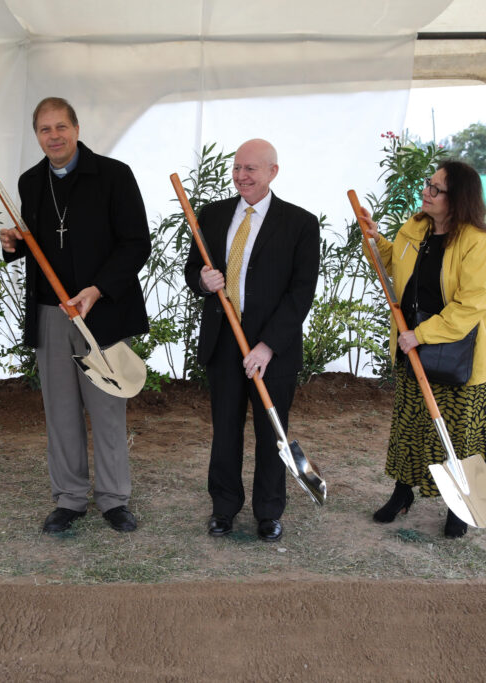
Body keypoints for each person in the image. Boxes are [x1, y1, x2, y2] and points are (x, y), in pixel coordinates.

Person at [0, 97, 151, 534]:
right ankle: (69, 497)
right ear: (37, 136)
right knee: (60, 410)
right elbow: (39, 243)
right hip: (51, 312)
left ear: (77, 128)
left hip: (100, 309)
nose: (54, 136)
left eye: (61, 126)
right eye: (45, 129)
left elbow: (136, 242)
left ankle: (113, 498)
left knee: (106, 407)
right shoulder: (31, 182)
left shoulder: (114, 176)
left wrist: (98, 289)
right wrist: (15, 244)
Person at [358, 159, 486, 538]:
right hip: (415, 342)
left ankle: (460, 505)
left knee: (460, 433)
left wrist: (422, 334)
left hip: (460, 347)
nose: (426, 192)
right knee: (411, 424)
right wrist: (374, 239)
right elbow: (393, 264)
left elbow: (472, 303)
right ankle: (402, 493)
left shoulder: (476, 242)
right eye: (427, 184)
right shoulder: (416, 228)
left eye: (436, 188)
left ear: (457, 198)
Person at [184, 139, 319, 542]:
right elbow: (194, 269)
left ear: (273, 172)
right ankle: (223, 508)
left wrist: (267, 346)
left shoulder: (300, 223)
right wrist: (203, 282)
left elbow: (301, 293)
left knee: (271, 433)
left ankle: (268, 512)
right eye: (237, 168)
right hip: (224, 343)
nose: (241, 176)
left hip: (272, 349)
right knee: (224, 431)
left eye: (251, 170)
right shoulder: (211, 215)